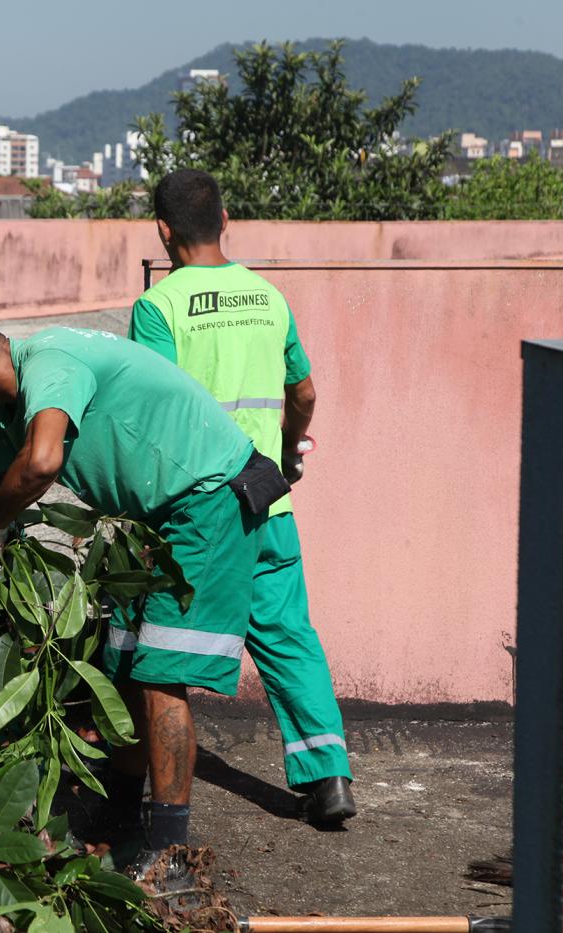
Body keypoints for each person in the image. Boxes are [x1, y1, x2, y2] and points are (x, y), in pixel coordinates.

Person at [0, 298, 292, 867]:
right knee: (125, 667)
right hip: (153, 520)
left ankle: (172, 858)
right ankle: (120, 819)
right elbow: (19, 478)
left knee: (162, 676)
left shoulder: (50, 362)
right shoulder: (19, 401)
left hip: (207, 500)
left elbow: (40, 465)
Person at [127, 169, 355, 824]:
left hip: (203, 510)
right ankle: (330, 776)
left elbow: (155, 414)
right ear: (225, 218)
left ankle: (152, 804)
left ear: (163, 231)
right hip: (269, 496)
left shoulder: (160, 307)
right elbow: (303, 392)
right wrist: (287, 452)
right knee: (289, 636)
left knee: (160, 653)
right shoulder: (267, 296)